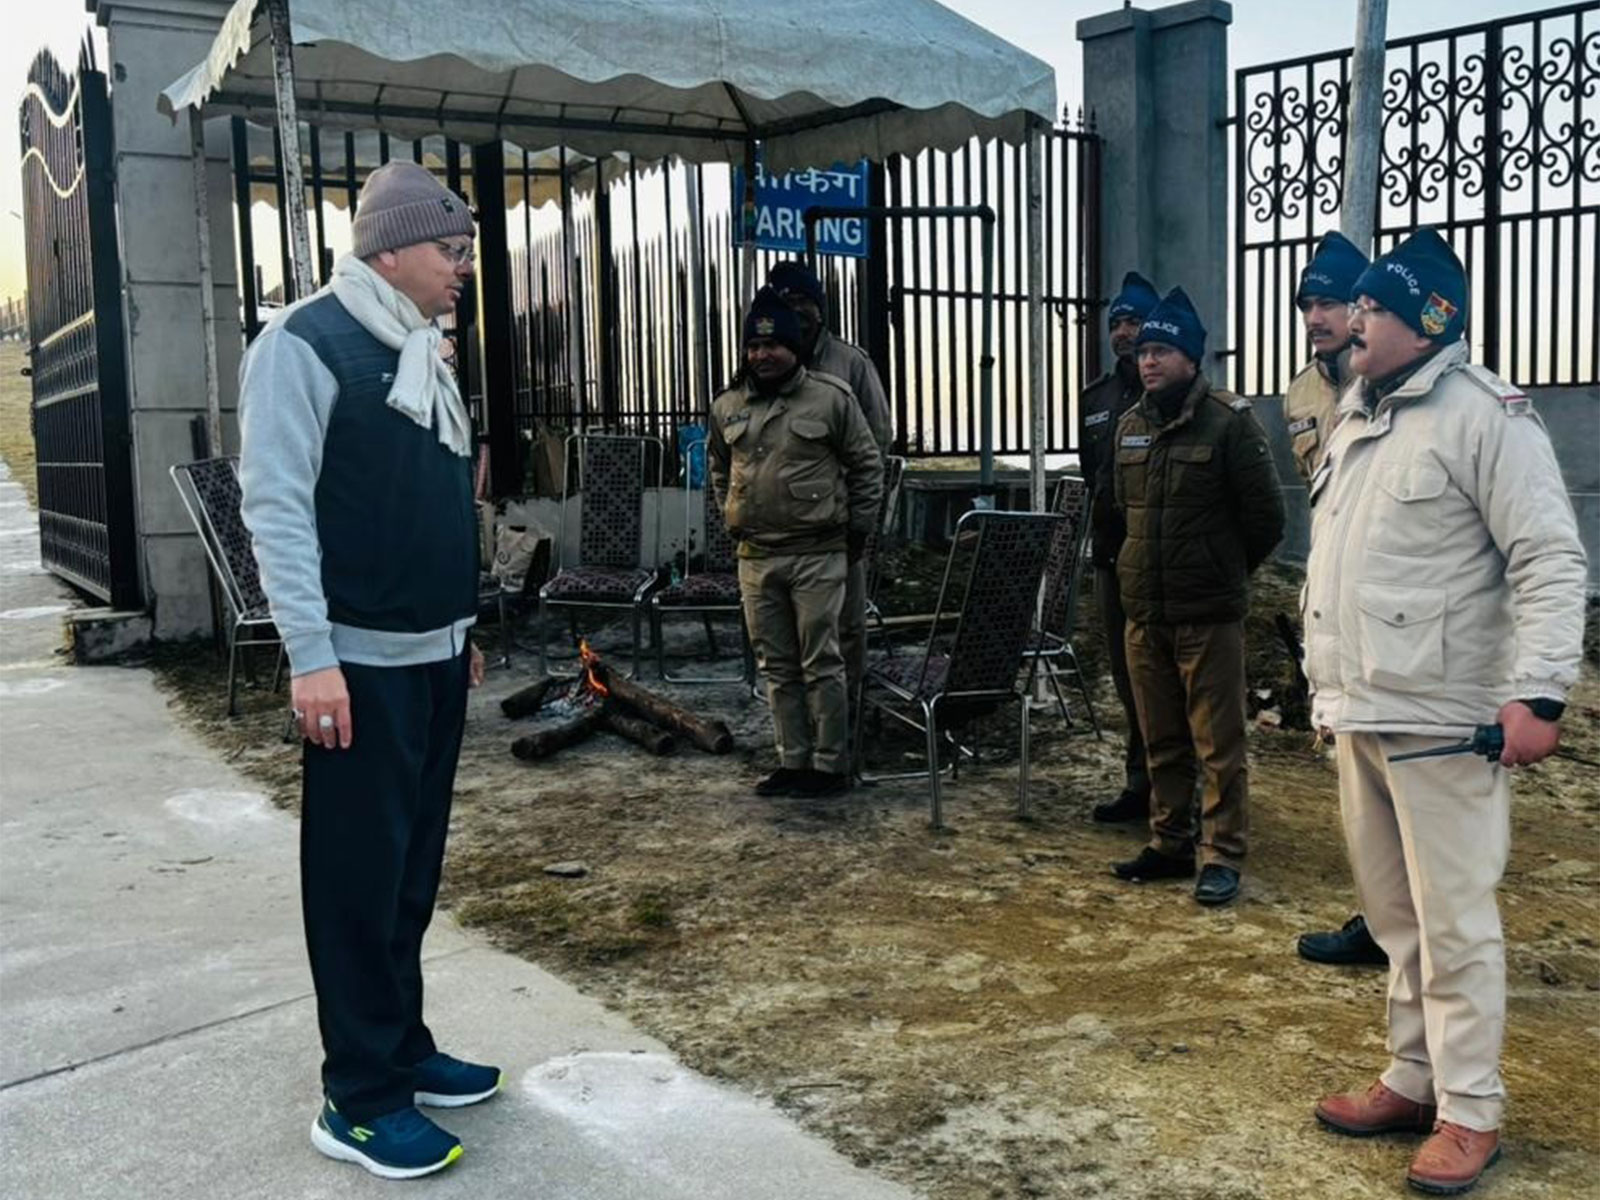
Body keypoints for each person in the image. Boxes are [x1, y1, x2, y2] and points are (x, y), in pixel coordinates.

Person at [1305, 228, 1586, 1196]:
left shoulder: (1484, 415)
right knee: (1394, 916)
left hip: (1445, 720)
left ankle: (1470, 1110)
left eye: (1374, 309)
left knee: (1454, 920)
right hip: (1367, 712)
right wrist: (1327, 693)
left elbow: (1548, 557)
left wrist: (1539, 692)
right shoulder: (1358, 415)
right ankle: (1412, 1077)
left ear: (1425, 318)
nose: (1354, 321)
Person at [239, 160, 499, 1180]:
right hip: (353, 667)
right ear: (390, 249)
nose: (464, 269)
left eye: (467, 249)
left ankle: (402, 1047)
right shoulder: (304, 344)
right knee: (355, 879)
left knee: (408, 874)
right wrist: (310, 658)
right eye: (452, 249)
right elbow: (277, 507)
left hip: (430, 657)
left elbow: (428, 504)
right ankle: (358, 1095)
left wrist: (458, 627)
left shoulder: (420, 349)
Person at [1109, 287, 1285, 906]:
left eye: (1162, 350)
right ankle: (1169, 842)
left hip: (1207, 615)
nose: (1148, 360)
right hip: (1146, 614)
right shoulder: (1130, 427)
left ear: (1191, 358)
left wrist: (1220, 571)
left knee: (1218, 743)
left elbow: (1265, 518)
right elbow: (1121, 512)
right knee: (1161, 738)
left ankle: (1222, 854)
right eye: (1145, 350)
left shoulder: (1230, 422)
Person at [709, 286, 882, 798]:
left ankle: (830, 766)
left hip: (818, 553)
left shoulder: (831, 398)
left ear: (794, 349)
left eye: (773, 346)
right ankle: (792, 760)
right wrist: (730, 515)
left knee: (822, 660)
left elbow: (867, 466)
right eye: (754, 347)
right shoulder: (727, 405)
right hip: (757, 557)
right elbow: (720, 467)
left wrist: (856, 534)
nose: (763, 355)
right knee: (776, 665)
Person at [1281, 232, 1388, 969]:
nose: (1317, 316)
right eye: (1309, 303)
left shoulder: (1385, 381)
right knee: (1355, 775)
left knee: (1403, 775)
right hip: (1333, 598)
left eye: (1331, 301)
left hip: (1393, 597)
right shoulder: (1301, 392)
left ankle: (1407, 927)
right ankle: (1378, 915)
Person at [766, 260, 893, 730]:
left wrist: (861, 519)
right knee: (793, 634)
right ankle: (803, 725)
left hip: (839, 525)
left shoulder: (850, 362)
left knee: (847, 628)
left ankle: (849, 720)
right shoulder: (768, 363)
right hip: (784, 527)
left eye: (804, 301)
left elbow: (877, 444)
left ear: (820, 307)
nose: (796, 311)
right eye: (785, 302)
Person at [1076, 270, 1166, 825]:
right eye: (1117, 324)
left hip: (1163, 563)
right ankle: (1141, 783)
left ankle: (1180, 790)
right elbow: (1094, 479)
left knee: (1169, 684)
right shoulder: (1097, 398)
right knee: (1128, 679)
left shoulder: (1173, 393)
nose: (1125, 333)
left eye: (1135, 321)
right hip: (1113, 560)